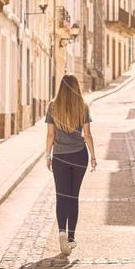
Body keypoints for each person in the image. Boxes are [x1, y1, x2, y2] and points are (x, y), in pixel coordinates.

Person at [45, 74, 97, 256]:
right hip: (79, 155)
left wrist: (47, 155)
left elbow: (51, 135)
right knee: (73, 196)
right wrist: (93, 155)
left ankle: (61, 231)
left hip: (60, 156)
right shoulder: (82, 106)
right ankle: (72, 238)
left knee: (62, 195)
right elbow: (88, 134)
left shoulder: (53, 106)